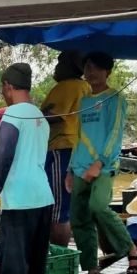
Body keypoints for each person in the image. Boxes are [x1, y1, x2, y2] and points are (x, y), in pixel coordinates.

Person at [67, 52, 137, 274]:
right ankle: (92, 270)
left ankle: (132, 253)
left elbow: (114, 134)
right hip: (80, 167)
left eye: (96, 68)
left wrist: (99, 162)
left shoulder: (115, 98)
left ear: (108, 72)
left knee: (99, 207)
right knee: (79, 218)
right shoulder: (84, 101)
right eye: (87, 68)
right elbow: (79, 136)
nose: (91, 73)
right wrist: (71, 169)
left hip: (102, 167)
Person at [0, 64, 53, 274]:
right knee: (35, 266)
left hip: (20, 200)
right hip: (43, 198)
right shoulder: (40, 116)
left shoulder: (12, 114)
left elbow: (4, 155)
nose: (3, 94)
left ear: (8, 86)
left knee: (12, 269)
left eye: (3, 89)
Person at [39, 49, 91, 246]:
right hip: (78, 149)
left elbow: (53, 115)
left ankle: (58, 255)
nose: (56, 68)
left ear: (68, 66)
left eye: (59, 63)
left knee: (58, 209)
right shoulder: (86, 86)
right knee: (69, 207)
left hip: (60, 148)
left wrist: (31, 113)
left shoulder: (67, 86)